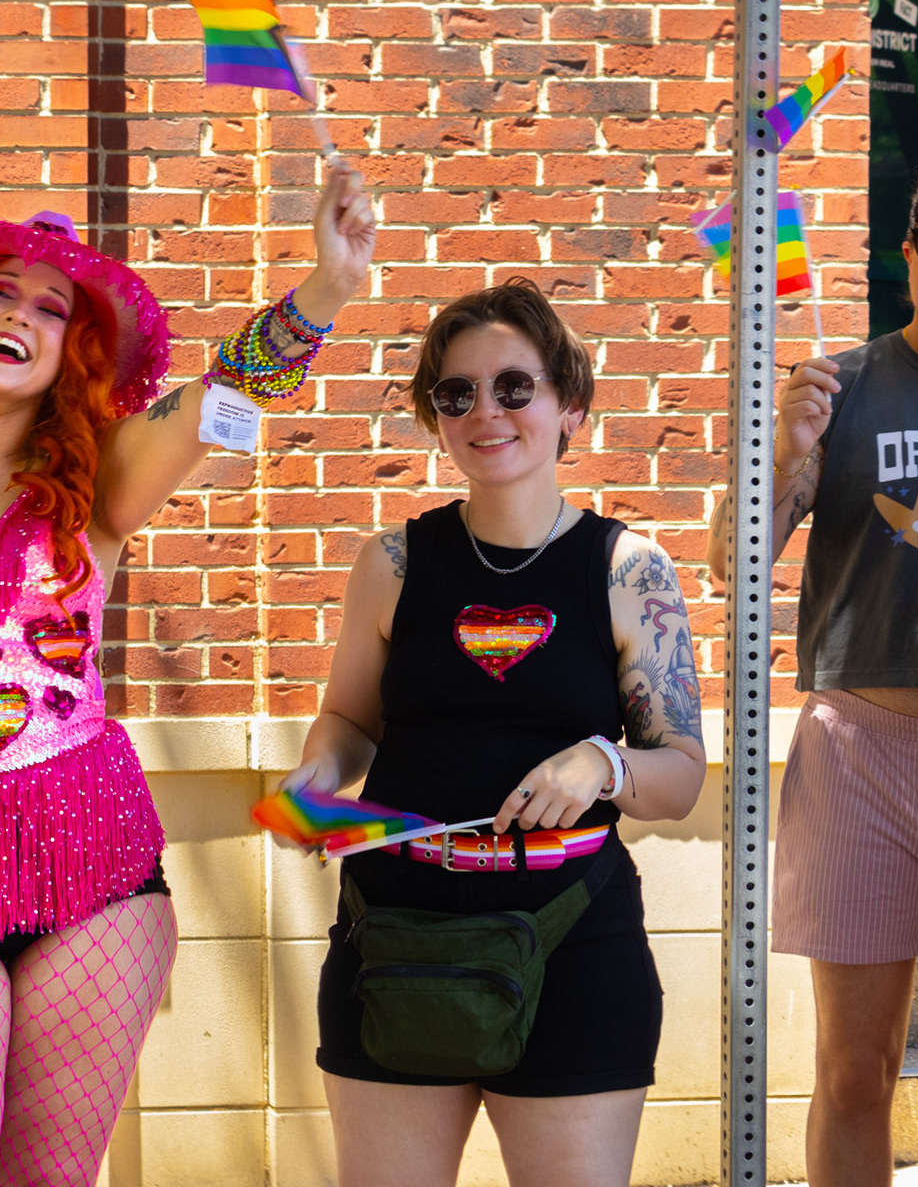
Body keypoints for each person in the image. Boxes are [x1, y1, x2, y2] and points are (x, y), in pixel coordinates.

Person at [0, 171, 376, 1186]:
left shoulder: (102, 476)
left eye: (52, 309)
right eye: (2, 292)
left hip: (92, 875)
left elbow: (222, 395)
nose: (23, 316)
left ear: (74, 352)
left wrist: (325, 286)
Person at [281, 280, 706, 1187]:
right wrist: (317, 779)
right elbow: (353, 719)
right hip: (393, 929)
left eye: (516, 387)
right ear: (436, 416)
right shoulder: (393, 562)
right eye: (456, 392)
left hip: (571, 935)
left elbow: (679, 781)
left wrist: (603, 762)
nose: (487, 411)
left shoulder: (629, 571)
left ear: (570, 406)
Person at [710, 161, 918, 1187]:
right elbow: (734, 557)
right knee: (856, 1070)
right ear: (907, 256)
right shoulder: (839, 386)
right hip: (859, 755)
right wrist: (780, 446)